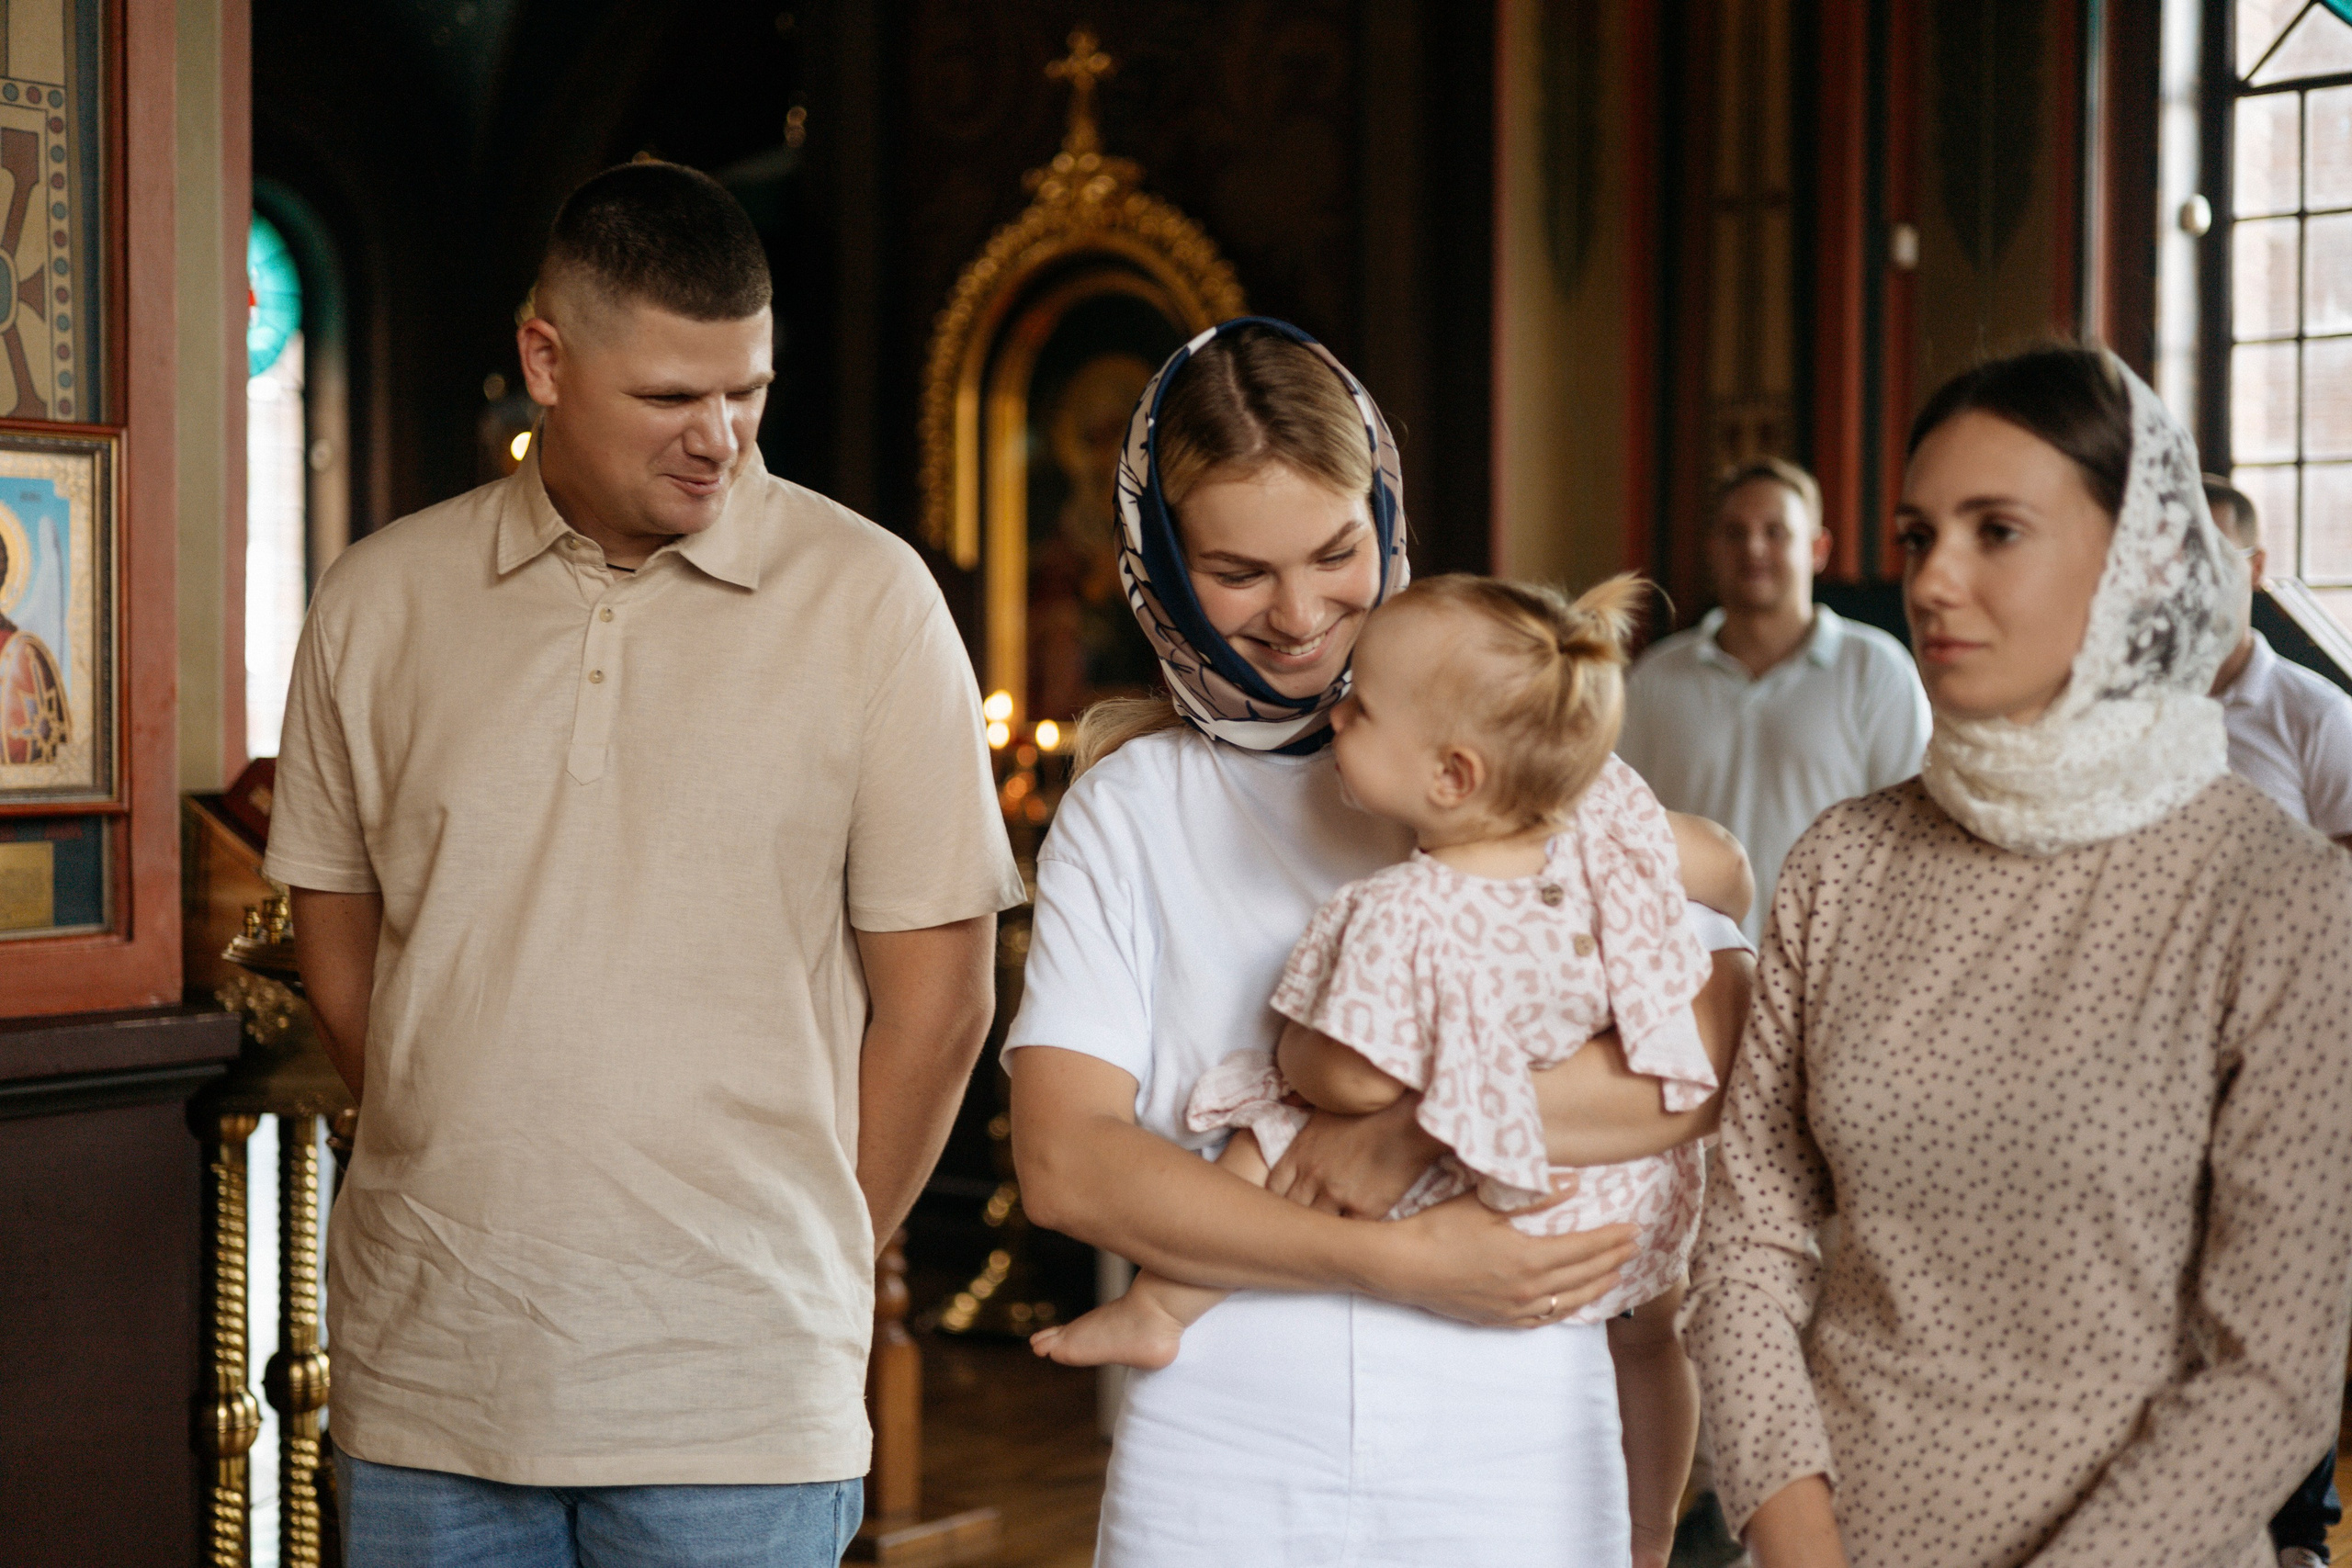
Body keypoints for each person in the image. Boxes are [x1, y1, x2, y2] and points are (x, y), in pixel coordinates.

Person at [265, 162, 1024, 1566]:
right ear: (543, 360)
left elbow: (944, 1001)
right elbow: (340, 924)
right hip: (431, 1382)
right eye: (672, 398)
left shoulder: (872, 602)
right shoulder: (379, 597)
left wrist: (799, 1260)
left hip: (738, 1408)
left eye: (747, 391)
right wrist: (466, 1120)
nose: (718, 439)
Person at [1005, 317, 1758, 1568]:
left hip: (1519, 1426)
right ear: (1158, 560)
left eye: (1336, 551)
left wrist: (1405, 1126)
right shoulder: (1133, 806)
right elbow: (1068, 1164)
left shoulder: (1514, 759)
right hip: (1224, 1436)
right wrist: (1399, 1258)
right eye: (1240, 570)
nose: (1301, 616)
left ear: (1388, 517)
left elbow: (1712, 1042)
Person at [1681, 345, 2352, 1568]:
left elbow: (2277, 1368)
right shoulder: (1843, 863)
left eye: (1997, 530)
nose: (1932, 577)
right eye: (1916, 529)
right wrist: (1801, 1544)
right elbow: (1746, 1251)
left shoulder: (2275, 889)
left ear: (2138, 561)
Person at [2205, 475, 2352, 1563]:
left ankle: (2296, 1535)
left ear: (2252, 571)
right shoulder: (2117, 714)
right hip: (2144, 1065)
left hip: (2288, 1060)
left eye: (2209, 554)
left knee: (2277, 1301)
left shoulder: (2312, 713)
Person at [1618, 457, 1929, 942]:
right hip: (1692, 971)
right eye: (1735, 532)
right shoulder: (1656, 678)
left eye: (1776, 531)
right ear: (1712, 547)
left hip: (1836, 969)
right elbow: (1619, 830)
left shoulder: (1876, 670)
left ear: (1818, 548)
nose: (1754, 548)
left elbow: (1916, 840)